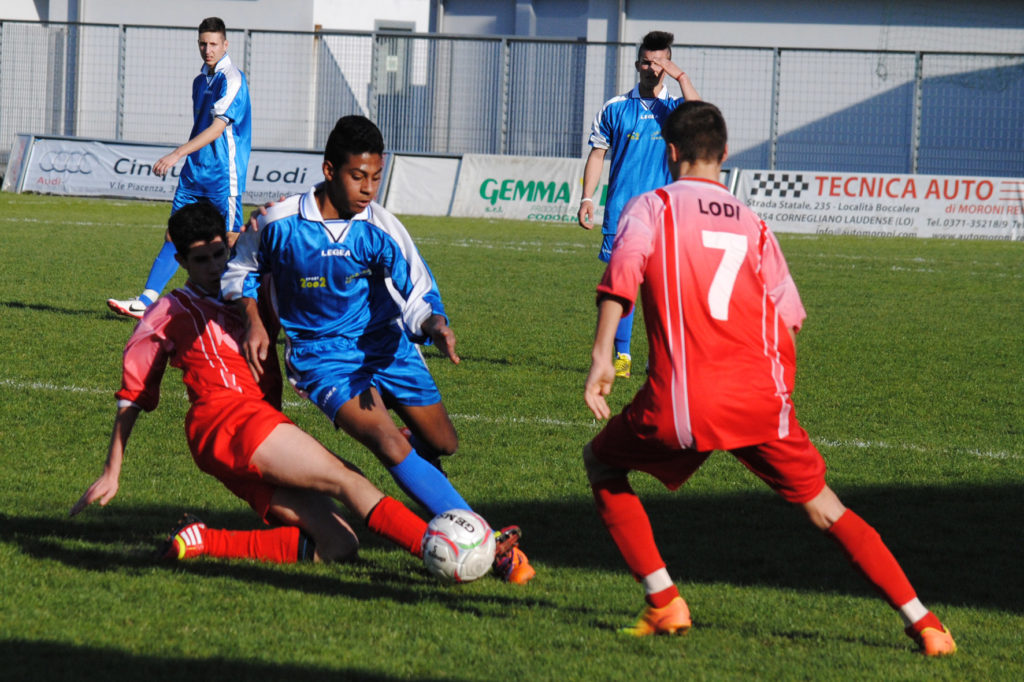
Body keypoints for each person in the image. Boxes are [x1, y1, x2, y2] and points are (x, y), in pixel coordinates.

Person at [581, 101, 956, 656]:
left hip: (687, 399)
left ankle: (664, 601)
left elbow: (622, 274)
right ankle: (926, 624)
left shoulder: (652, 206)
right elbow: (790, 316)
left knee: (602, 463)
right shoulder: (752, 222)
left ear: (670, 152)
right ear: (725, 154)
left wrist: (601, 357)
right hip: (761, 396)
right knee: (825, 507)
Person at [221, 115, 534, 584]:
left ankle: (414, 457)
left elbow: (418, 289)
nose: (369, 188)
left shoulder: (381, 226)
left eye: (376, 177)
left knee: (443, 443)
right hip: (323, 358)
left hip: (388, 345)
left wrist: (434, 324)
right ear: (329, 170)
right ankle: (488, 543)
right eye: (358, 176)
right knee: (387, 442)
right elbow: (239, 270)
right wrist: (253, 319)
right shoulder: (278, 222)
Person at [73, 200, 442, 566]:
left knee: (338, 544)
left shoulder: (257, 288)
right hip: (227, 418)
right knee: (349, 480)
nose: (214, 267)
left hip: (241, 433)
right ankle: (447, 550)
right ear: (182, 262)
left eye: (219, 254)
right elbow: (133, 394)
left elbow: (292, 251)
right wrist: (111, 471)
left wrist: (264, 221)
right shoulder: (169, 311)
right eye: (201, 260)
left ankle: (201, 540)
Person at [108, 17, 252, 320]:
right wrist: (186, 159)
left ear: (225, 45)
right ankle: (145, 302)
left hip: (223, 175)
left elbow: (217, 128)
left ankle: (242, 304)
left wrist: (176, 154)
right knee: (175, 235)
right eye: (203, 44)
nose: (207, 50)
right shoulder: (200, 81)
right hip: (194, 174)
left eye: (213, 44)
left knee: (229, 239)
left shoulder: (233, 79)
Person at [577, 30, 701, 379]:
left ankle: (660, 356)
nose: (652, 68)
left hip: (665, 217)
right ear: (637, 65)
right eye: (646, 62)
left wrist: (682, 77)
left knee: (663, 289)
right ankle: (623, 356)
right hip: (622, 215)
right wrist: (587, 197)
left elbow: (700, 119)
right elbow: (597, 154)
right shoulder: (615, 107)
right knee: (623, 286)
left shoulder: (676, 109)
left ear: (668, 66)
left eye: (659, 62)